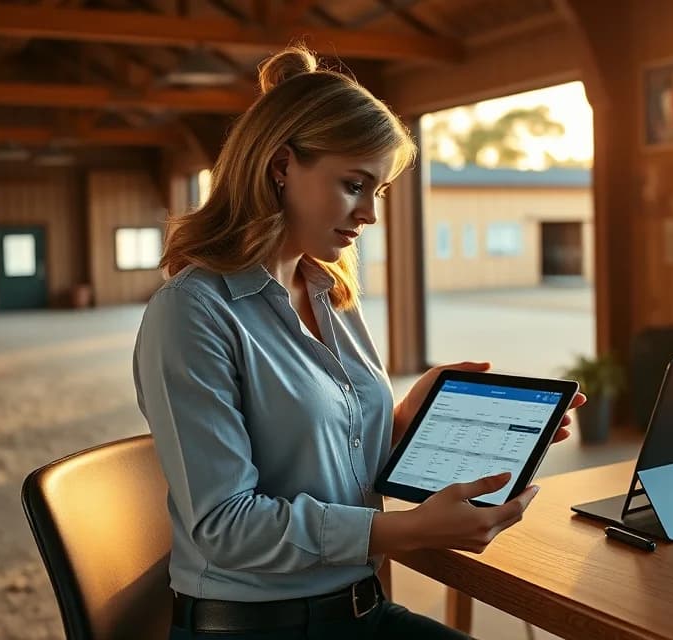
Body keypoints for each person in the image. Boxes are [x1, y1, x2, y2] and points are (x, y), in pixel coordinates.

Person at [133, 45, 585, 639]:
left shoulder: (328, 292)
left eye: (380, 190)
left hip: (361, 610)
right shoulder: (192, 312)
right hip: (254, 627)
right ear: (280, 166)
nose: (369, 214)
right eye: (354, 184)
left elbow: (329, 463)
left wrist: (405, 420)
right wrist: (409, 531)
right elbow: (223, 526)